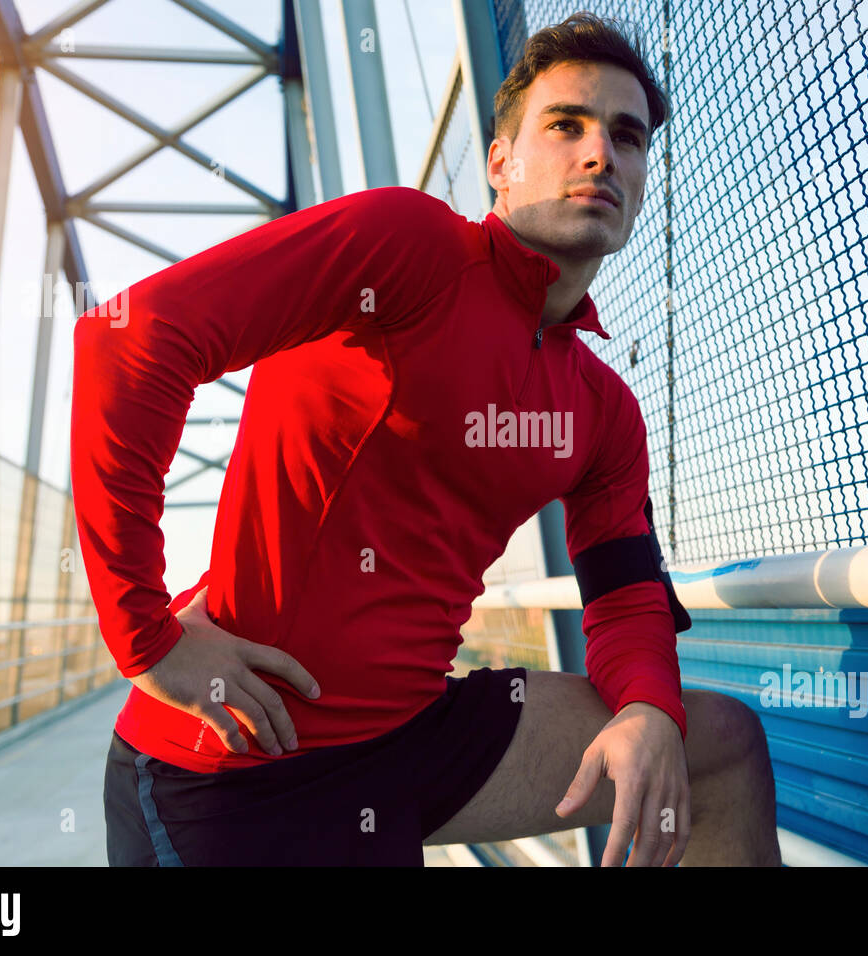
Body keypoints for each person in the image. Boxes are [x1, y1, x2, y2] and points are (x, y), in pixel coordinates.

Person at [75, 11, 780, 867]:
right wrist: (144, 639)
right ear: (500, 165)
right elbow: (131, 337)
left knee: (718, 742)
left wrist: (647, 710)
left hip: (412, 736)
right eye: (566, 126)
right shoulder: (405, 247)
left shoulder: (604, 411)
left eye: (626, 138)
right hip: (238, 761)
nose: (600, 154)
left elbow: (626, 599)